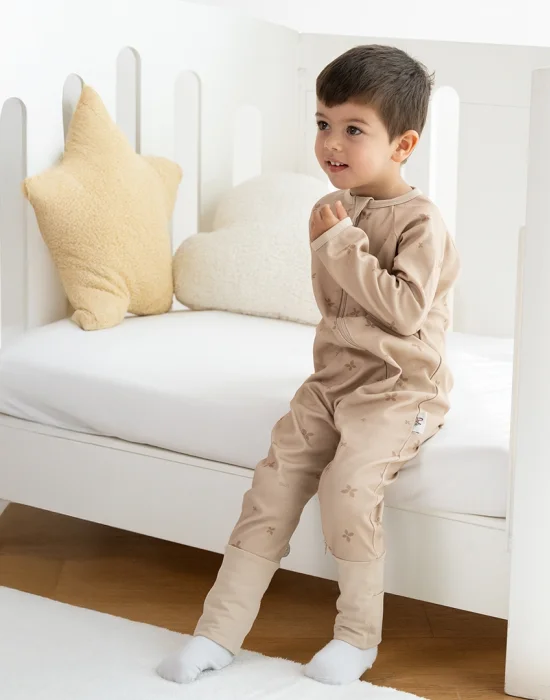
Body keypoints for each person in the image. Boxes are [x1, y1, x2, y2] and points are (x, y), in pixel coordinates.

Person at [157, 43, 460, 686]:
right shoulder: (335, 208)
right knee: (273, 482)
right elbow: (336, 309)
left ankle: (356, 637)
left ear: (403, 145)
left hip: (400, 390)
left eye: (354, 129)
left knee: (348, 485)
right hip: (331, 382)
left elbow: (404, 312)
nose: (331, 143)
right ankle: (217, 632)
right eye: (323, 123)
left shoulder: (420, 222)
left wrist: (339, 243)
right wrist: (335, 236)